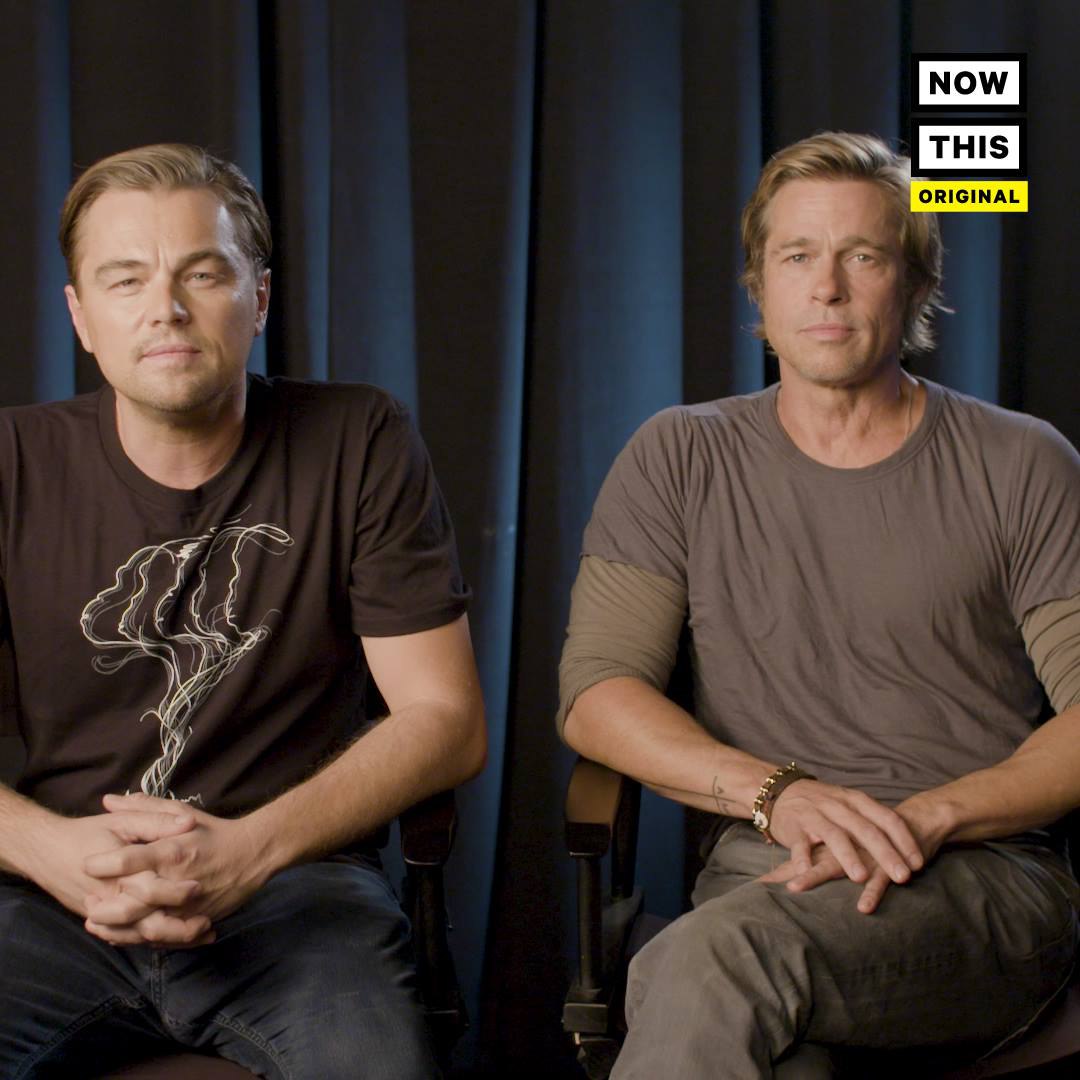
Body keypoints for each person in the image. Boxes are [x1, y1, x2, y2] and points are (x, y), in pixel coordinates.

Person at [558, 131, 1080, 1078]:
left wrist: (931, 816)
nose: (828, 288)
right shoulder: (679, 455)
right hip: (768, 873)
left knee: (710, 963)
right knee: (768, 1042)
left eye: (863, 257)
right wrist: (779, 795)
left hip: (980, 880)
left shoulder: (1021, 461)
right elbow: (598, 695)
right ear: (758, 287)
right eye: (797, 256)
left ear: (915, 286)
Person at [0, 144, 486, 1078]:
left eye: (202, 273)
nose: (166, 309)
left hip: (297, 894)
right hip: (58, 899)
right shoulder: (11, 463)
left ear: (258, 299)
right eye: (126, 279)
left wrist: (247, 853)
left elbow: (446, 720)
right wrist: (51, 851)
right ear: (81, 316)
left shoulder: (359, 439)